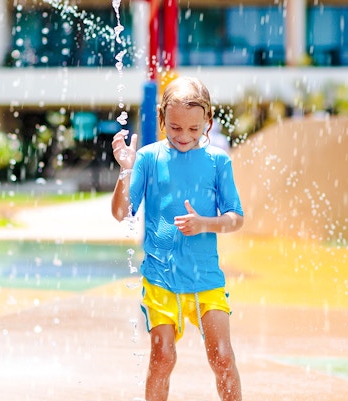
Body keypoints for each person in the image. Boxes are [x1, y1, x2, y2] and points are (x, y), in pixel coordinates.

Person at [111, 76, 244, 401]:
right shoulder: (148, 158)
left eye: (194, 129)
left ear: (208, 122)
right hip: (160, 279)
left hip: (206, 280)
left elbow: (235, 218)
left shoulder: (217, 161)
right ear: (161, 119)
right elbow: (120, 212)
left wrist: (205, 223)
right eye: (175, 128)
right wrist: (125, 171)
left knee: (222, 357)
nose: (184, 136)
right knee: (162, 358)